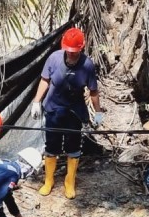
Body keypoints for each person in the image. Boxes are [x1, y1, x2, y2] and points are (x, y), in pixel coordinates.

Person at [30, 27, 103, 199]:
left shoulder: (87, 65)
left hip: (74, 111)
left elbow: (93, 92)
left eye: (74, 52)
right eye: (68, 52)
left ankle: (69, 182)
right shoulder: (54, 59)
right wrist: (36, 101)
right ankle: (49, 181)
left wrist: (98, 113)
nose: (71, 55)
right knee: (52, 146)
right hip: (54, 109)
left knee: (73, 147)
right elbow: (45, 80)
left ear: (81, 48)